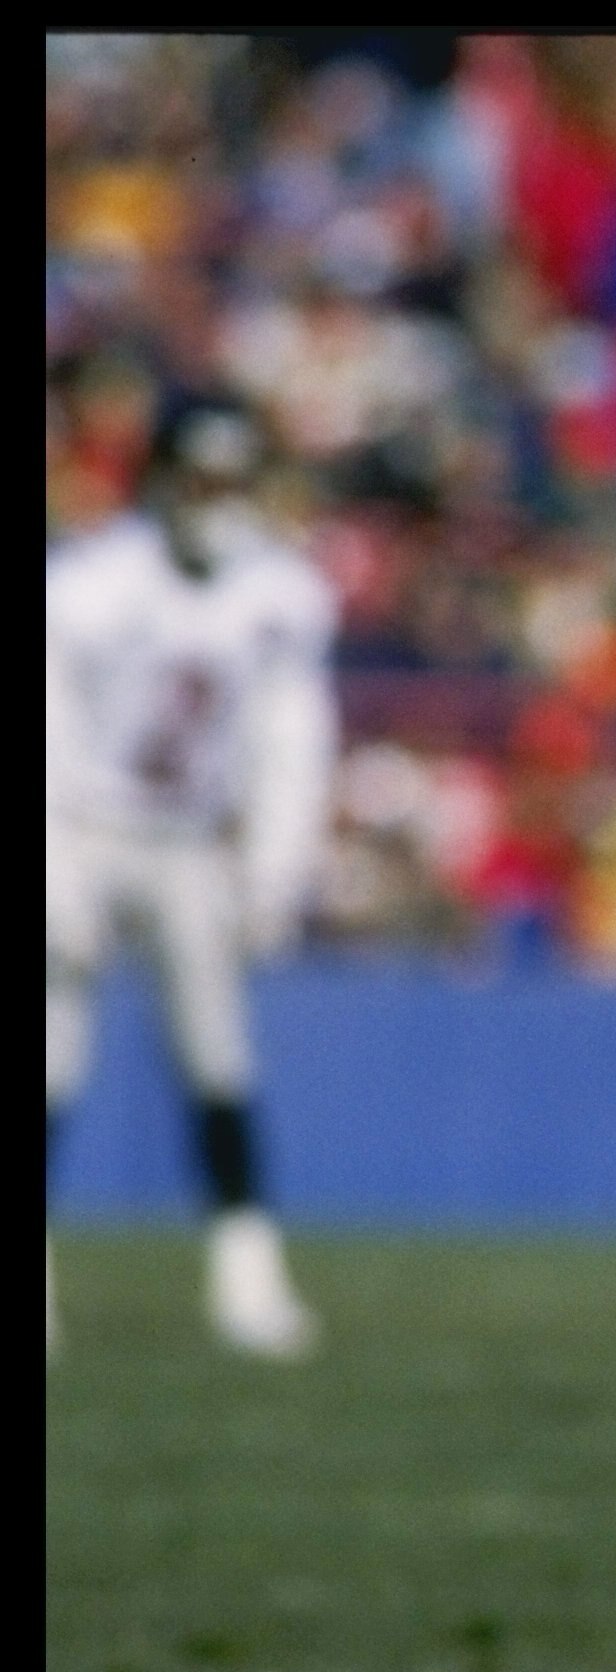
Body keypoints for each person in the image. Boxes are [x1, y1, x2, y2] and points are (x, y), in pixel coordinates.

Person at [45, 396, 338, 1360]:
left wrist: (273, 875)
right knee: (52, 1062)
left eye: (233, 482)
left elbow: (293, 746)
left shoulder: (277, 592)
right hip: (88, 827)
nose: (217, 502)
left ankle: (247, 1281)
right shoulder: (91, 584)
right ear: (164, 478)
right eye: (202, 479)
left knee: (219, 1061)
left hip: (192, 844)